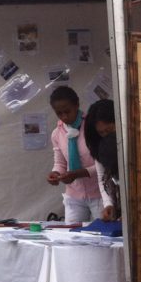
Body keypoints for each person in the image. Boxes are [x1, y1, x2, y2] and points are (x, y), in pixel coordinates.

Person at [46, 86, 103, 223]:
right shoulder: (57, 133)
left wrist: (78, 174)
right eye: (59, 113)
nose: (64, 117)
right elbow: (60, 163)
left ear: (77, 104)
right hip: (74, 195)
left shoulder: (93, 127)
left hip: (100, 193)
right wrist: (55, 174)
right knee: (71, 233)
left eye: (67, 111)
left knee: (102, 234)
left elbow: (104, 162)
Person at [82, 99, 120, 222]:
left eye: (109, 130)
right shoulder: (100, 146)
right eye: (101, 133)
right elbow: (102, 177)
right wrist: (108, 204)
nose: (106, 135)